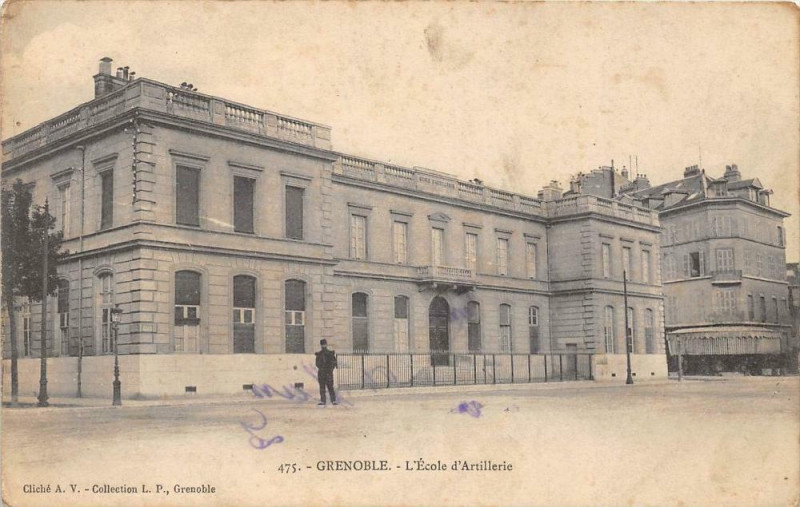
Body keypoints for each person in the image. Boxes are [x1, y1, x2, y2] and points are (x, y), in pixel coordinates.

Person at [315, 339, 337, 406]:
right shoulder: (320, 354)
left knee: (330, 387)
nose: (323, 346)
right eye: (322, 344)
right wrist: (323, 368)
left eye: (324, 344)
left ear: (326, 345)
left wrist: (329, 369)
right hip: (323, 373)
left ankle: (333, 400)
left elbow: (334, 363)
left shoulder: (329, 353)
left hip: (327, 373)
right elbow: (317, 363)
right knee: (323, 387)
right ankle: (324, 400)